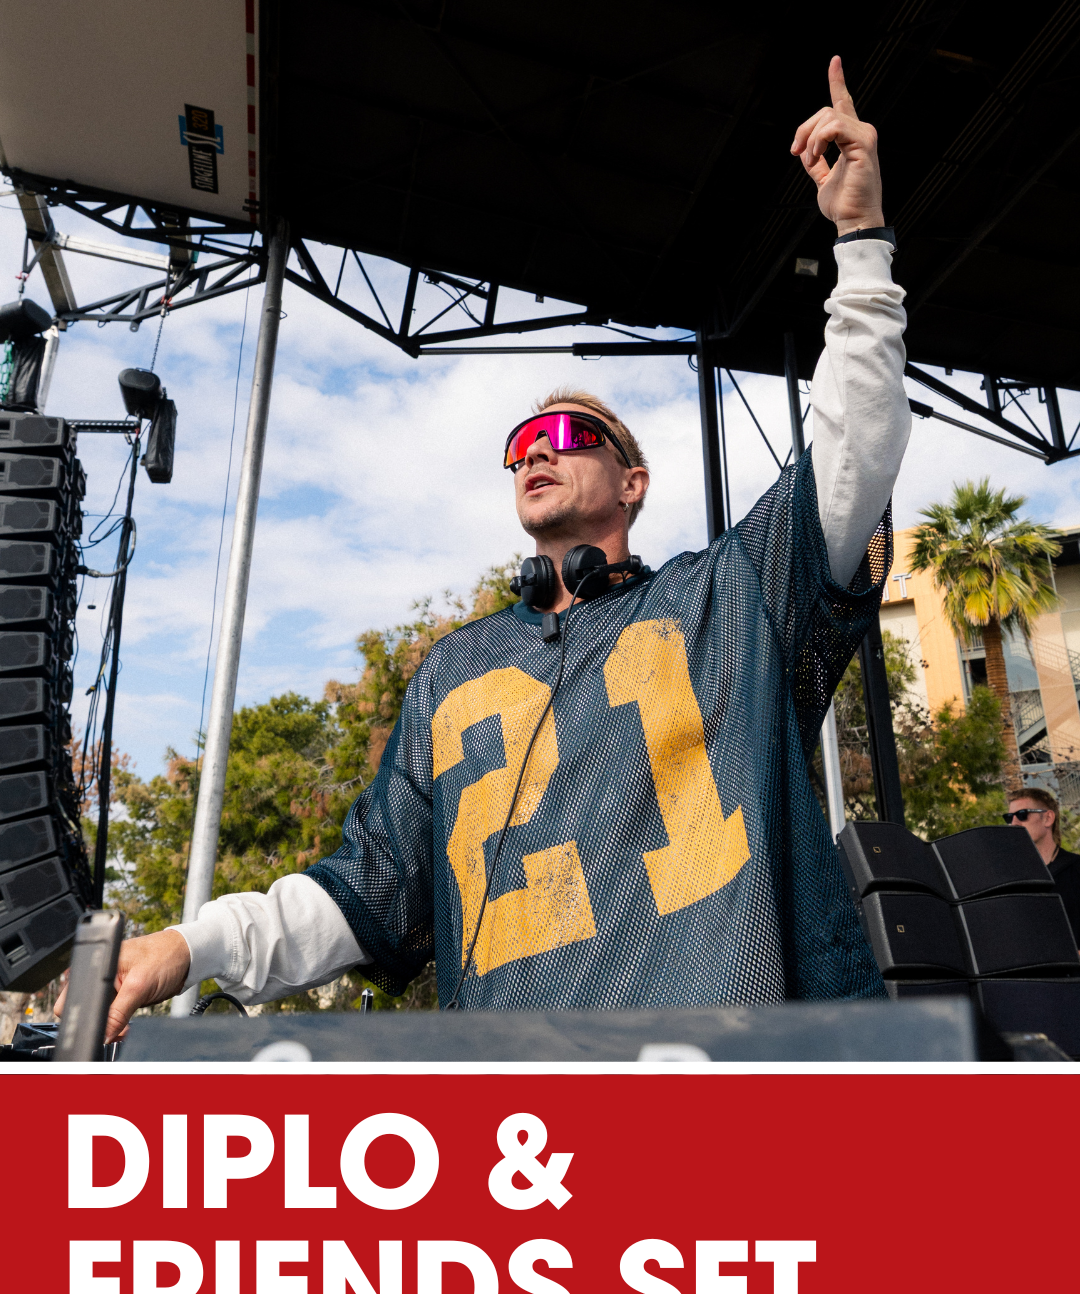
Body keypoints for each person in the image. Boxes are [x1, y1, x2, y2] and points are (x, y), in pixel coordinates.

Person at [67, 56, 913, 1039]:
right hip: (525, 1133)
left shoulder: (731, 593)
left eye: (567, 437)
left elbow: (856, 445)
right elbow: (367, 891)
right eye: (519, 445)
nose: (535, 454)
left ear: (633, 484)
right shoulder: (452, 673)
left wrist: (858, 237)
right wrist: (190, 946)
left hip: (739, 1091)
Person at [1005, 789, 1080, 949]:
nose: (1014, 823)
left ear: (1048, 818)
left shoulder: (1076, 869)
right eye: (1009, 817)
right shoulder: (1008, 880)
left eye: (1023, 814)